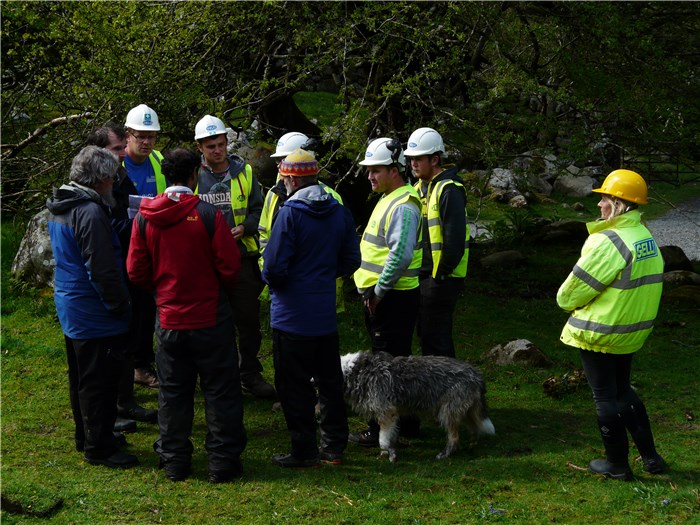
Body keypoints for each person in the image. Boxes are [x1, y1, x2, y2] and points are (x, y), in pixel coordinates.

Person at [126, 148, 247, 483]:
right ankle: (222, 462)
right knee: (220, 391)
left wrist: (161, 290)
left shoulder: (145, 217)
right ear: (195, 174)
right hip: (210, 318)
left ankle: (175, 461)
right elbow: (230, 267)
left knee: (173, 393)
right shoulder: (208, 215)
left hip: (169, 320)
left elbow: (135, 270)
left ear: (167, 176)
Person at [557, 169, 667, 481]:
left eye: (605, 198)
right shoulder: (644, 236)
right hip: (631, 332)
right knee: (622, 392)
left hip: (601, 333)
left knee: (604, 397)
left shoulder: (608, 241)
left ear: (620, 204)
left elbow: (567, 296)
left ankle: (617, 465)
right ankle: (651, 457)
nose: (600, 204)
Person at [262, 149, 361, 467]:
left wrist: (291, 280)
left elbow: (274, 267)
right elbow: (351, 260)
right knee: (330, 382)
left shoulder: (290, 213)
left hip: (291, 316)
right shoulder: (338, 211)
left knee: (293, 385)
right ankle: (334, 448)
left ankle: (304, 450)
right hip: (324, 314)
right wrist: (320, 275)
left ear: (291, 179)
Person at [46, 145, 139, 469]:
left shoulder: (62, 205)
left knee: (82, 378)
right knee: (99, 381)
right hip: (93, 310)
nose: (115, 183)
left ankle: (87, 436)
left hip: (72, 305)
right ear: (100, 179)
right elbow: (101, 268)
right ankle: (99, 447)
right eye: (113, 178)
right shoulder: (90, 212)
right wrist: (119, 305)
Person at [194, 115, 275, 399]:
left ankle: (249, 375)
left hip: (241, 258)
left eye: (220, 144)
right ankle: (216, 377)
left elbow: (258, 210)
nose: (217, 150)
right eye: (210, 146)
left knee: (248, 321)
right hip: (206, 263)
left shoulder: (246, 172)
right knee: (212, 323)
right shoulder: (195, 177)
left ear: (228, 142)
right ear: (200, 148)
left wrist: (245, 227)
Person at [349, 137, 422, 446]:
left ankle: (384, 428)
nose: (370, 176)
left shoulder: (403, 205)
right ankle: (405, 423)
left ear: (395, 170)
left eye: (376, 170)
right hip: (385, 296)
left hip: (391, 297)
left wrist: (378, 291)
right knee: (395, 363)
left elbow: (401, 254)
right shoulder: (389, 198)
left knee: (385, 367)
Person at [86, 123, 158, 432]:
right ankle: (110, 409)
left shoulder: (121, 176)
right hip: (111, 271)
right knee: (109, 346)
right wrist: (142, 226)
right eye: (116, 149)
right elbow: (107, 227)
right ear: (99, 151)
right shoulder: (93, 189)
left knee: (129, 334)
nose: (121, 155)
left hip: (131, 263)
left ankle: (125, 400)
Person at [259, 132, 346, 311]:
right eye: (278, 161)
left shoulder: (331, 198)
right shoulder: (273, 195)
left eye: (283, 160)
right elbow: (264, 234)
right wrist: (269, 270)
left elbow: (341, 248)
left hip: (320, 292)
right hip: (282, 289)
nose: (279, 166)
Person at [405, 127, 469, 358]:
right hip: (423, 276)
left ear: (435, 159)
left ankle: (451, 389)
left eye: (418, 159)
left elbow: (454, 241)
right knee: (427, 336)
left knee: (436, 340)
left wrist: (439, 275)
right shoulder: (417, 188)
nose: (413, 164)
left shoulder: (449, 189)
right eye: (411, 159)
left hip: (442, 278)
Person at [124, 103, 165, 389]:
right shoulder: (115, 164)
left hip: (154, 248)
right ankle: (132, 365)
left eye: (151, 136)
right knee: (129, 310)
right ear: (128, 134)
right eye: (141, 136)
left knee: (148, 309)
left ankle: (142, 361)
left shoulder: (160, 161)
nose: (147, 142)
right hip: (123, 248)